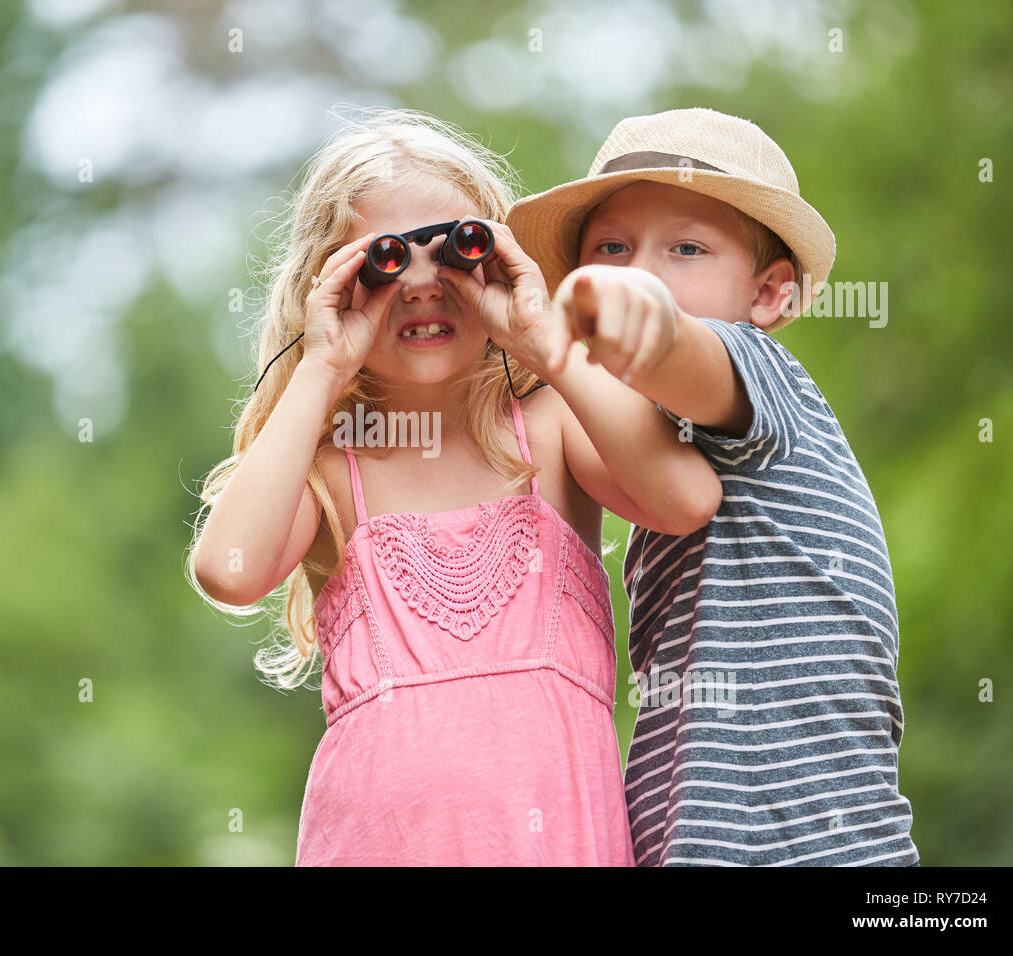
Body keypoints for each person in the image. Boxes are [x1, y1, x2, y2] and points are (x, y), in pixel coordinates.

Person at [189, 108, 720, 865]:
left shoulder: (554, 425)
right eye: (382, 262)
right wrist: (323, 366)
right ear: (329, 287)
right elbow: (227, 570)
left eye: (455, 251)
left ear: (498, 259)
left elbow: (685, 500)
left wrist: (542, 338)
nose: (421, 285)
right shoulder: (333, 469)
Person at [509, 107, 920, 865]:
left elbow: (679, 351)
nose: (641, 273)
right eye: (612, 249)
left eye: (686, 248)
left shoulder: (760, 373)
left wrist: (633, 320)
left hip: (822, 842)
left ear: (768, 297)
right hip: (700, 836)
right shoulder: (651, 447)